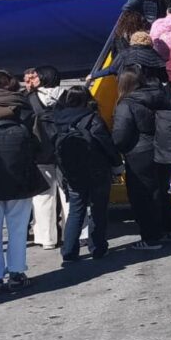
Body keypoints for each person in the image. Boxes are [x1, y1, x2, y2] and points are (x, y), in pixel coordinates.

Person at [0, 70, 47, 294]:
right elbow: (37, 142)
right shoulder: (23, 106)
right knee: (17, 228)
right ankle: (16, 274)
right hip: (20, 176)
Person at [111, 66, 171, 250]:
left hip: (139, 152)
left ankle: (151, 237)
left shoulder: (126, 104)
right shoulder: (159, 96)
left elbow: (120, 135)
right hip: (164, 148)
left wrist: (116, 149)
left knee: (142, 196)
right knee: (162, 191)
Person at [51, 86, 122, 262]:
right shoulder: (92, 118)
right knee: (98, 210)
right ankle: (97, 247)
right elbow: (106, 143)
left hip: (72, 173)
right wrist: (117, 165)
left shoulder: (58, 119)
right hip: (97, 171)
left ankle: (69, 251)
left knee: (76, 211)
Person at [26, 65, 66, 250]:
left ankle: (46, 238)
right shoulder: (67, 95)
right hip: (66, 149)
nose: (34, 79)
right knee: (69, 195)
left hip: (41, 151)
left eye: (36, 76)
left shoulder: (31, 98)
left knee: (43, 197)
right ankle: (76, 233)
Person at [89, 31, 168, 84]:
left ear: (132, 40)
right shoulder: (154, 55)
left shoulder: (124, 54)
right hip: (150, 89)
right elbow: (163, 74)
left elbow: (111, 69)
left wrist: (93, 75)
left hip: (128, 87)